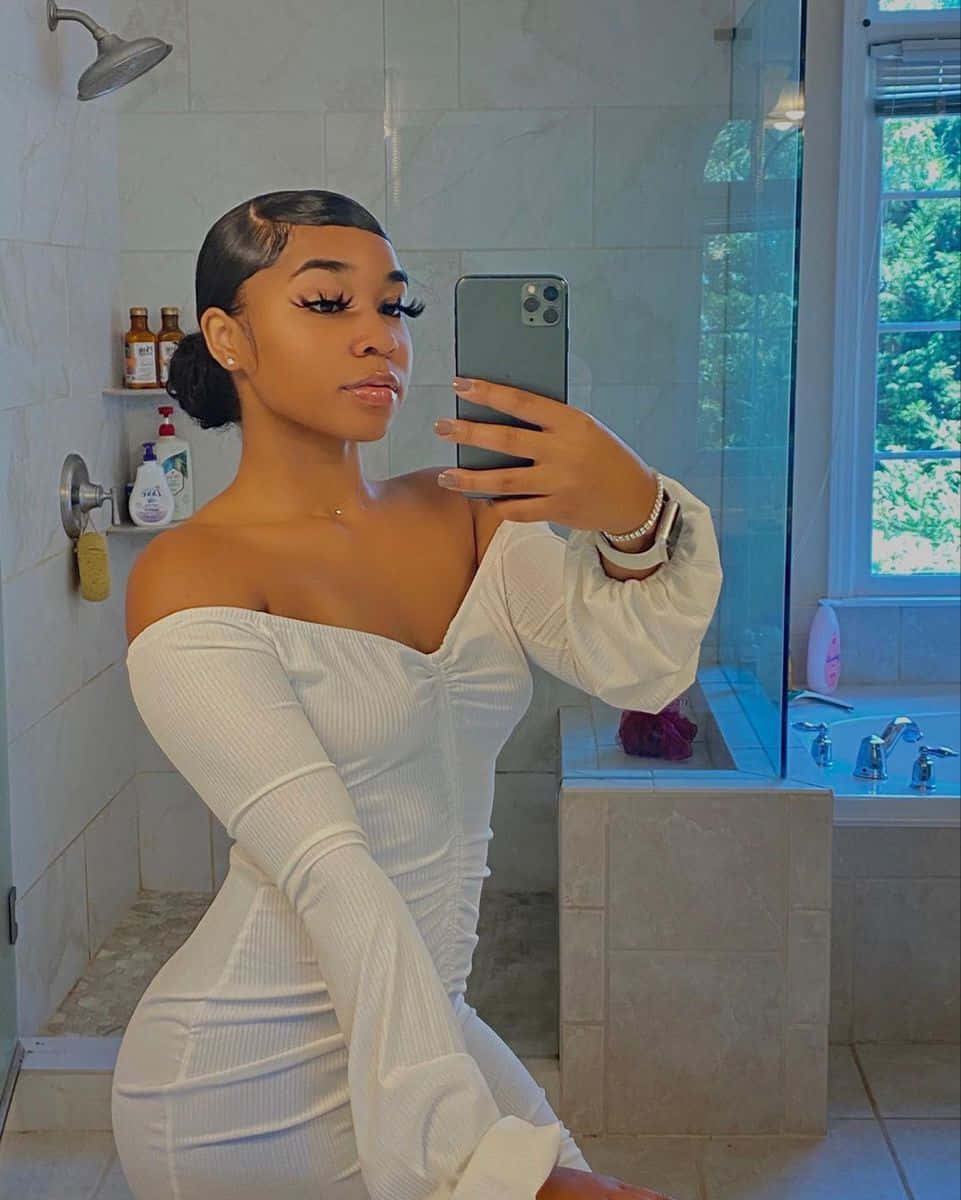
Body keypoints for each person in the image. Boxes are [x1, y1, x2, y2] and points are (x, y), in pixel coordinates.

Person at [111, 189, 722, 1200]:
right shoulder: (188, 574)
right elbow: (335, 881)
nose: (378, 338)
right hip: (245, 1086)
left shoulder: (465, 511)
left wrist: (633, 512)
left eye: (394, 307)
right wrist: (482, 1169)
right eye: (327, 304)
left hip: (425, 1021)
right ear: (228, 338)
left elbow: (638, 668)